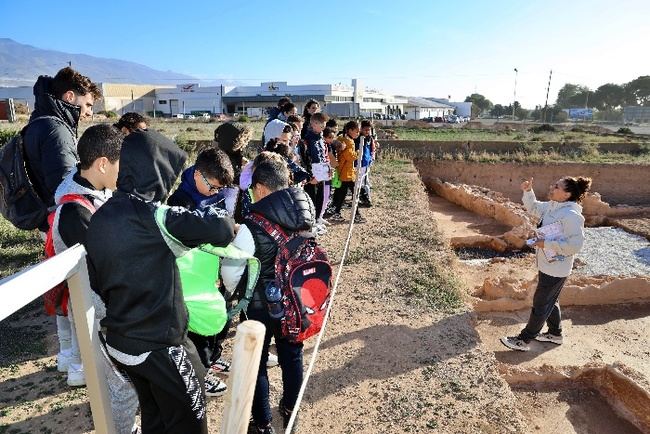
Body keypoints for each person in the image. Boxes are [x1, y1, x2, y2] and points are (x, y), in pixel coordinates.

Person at [85, 129, 236, 433]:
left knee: (156, 418)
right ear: (158, 172)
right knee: (190, 421)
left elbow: (97, 281)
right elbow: (221, 227)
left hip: (121, 342)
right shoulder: (153, 215)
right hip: (161, 345)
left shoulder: (101, 215)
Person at [47, 124, 139, 432]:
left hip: (103, 309)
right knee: (123, 385)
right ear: (102, 163)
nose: (121, 171)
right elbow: (106, 266)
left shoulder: (95, 192)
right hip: (97, 312)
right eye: (119, 164)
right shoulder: (75, 213)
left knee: (115, 384)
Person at [220, 159, 314, 434]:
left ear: (260, 188)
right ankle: (290, 408)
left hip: (261, 306)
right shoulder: (305, 214)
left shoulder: (252, 225)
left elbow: (230, 271)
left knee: (257, 363)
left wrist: (237, 292)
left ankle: (262, 423)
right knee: (293, 355)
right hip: (296, 301)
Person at [167, 147, 235, 397]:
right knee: (198, 328)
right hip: (193, 278)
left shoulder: (214, 192)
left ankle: (214, 357)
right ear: (197, 174)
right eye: (213, 187)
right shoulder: (179, 203)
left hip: (213, 270)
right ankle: (201, 372)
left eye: (220, 189)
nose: (216, 193)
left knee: (220, 318)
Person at [501, 176, 592, 352]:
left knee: (541, 303)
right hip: (547, 264)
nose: (552, 187)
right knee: (551, 300)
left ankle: (524, 340)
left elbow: (576, 246)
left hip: (557, 268)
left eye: (556, 186)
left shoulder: (571, 215)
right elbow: (534, 207)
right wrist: (528, 191)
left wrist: (547, 244)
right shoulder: (552, 207)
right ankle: (555, 334)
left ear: (566, 194)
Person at [23, 66, 101, 230]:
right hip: (59, 218)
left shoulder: (40, 120)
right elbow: (65, 185)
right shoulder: (56, 130)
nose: (89, 112)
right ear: (70, 96)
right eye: (88, 105)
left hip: (46, 213)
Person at [329, 121, 365, 223]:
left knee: (342, 193)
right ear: (350, 130)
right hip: (347, 173)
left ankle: (337, 211)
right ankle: (355, 215)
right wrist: (358, 152)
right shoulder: (348, 142)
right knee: (354, 193)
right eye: (356, 131)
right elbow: (350, 157)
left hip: (344, 171)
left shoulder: (342, 138)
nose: (358, 134)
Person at [214, 122, 252, 217]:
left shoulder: (230, 158)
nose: (245, 143)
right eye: (244, 140)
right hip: (230, 211)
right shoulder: (225, 161)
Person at [302, 112, 331, 234]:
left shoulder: (320, 137)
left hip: (322, 171)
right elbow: (306, 158)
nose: (324, 127)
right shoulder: (307, 139)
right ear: (313, 124)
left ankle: (317, 220)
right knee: (311, 199)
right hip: (313, 173)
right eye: (321, 125)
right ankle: (311, 224)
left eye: (324, 125)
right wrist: (311, 176)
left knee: (321, 196)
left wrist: (328, 169)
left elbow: (324, 155)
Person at [356, 120, 378, 207]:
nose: (367, 132)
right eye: (365, 130)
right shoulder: (358, 138)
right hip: (359, 163)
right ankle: (362, 198)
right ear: (361, 129)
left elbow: (372, 149)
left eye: (369, 130)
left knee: (364, 182)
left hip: (366, 162)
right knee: (360, 182)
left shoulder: (369, 138)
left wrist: (371, 159)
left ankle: (366, 199)